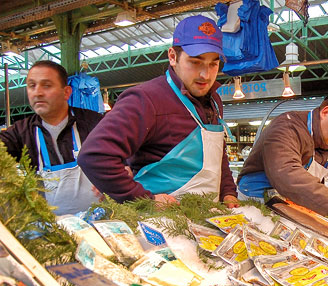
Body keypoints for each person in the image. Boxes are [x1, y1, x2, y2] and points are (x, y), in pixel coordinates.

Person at [78, 15, 239, 208]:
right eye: (195, 62)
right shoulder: (145, 99)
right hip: (159, 224)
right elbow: (95, 156)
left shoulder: (214, 101)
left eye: (213, 64)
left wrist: (228, 192)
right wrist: (146, 200)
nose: (205, 75)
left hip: (205, 218)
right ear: (172, 56)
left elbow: (216, 155)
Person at [237, 93, 328, 230]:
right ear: (325, 112)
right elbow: (286, 174)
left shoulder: (326, 143)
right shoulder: (287, 127)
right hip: (257, 203)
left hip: (287, 203)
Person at [0, 60, 103, 215]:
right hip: (51, 229)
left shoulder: (94, 123)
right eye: (32, 86)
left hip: (103, 223)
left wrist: (124, 168)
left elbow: (128, 153)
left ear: (66, 92)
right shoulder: (21, 133)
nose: (37, 92)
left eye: (46, 85)